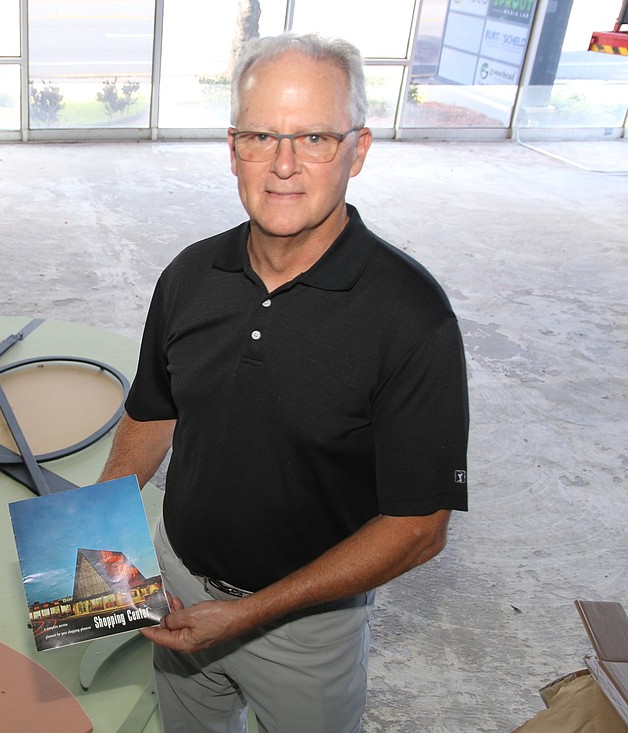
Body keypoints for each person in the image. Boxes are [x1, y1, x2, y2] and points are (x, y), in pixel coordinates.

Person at [98, 32, 469, 733]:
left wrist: (245, 614)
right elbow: (153, 413)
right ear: (232, 146)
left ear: (358, 151)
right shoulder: (187, 277)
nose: (284, 165)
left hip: (306, 631)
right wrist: (98, 539)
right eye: (263, 134)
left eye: (316, 138)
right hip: (173, 587)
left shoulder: (413, 319)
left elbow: (421, 528)